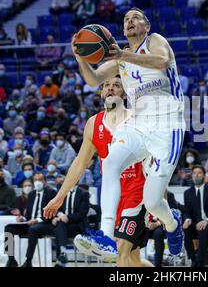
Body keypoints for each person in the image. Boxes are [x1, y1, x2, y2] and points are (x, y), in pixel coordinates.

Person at [50, 7, 185, 256]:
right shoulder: (120, 59)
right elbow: (93, 80)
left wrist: (123, 55)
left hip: (168, 124)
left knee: (154, 203)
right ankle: (105, 234)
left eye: (135, 18)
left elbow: (161, 62)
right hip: (139, 124)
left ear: (146, 26)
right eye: (125, 19)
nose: (130, 21)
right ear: (122, 30)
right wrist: (80, 57)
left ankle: (173, 223)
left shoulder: (155, 41)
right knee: (109, 162)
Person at [44, 77, 152, 265]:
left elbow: (155, 160)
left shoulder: (136, 119)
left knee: (119, 250)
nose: (111, 89)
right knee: (134, 259)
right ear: (101, 93)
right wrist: (60, 196)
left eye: (116, 85)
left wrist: (159, 198)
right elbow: (79, 163)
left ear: (124, 93)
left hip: (138, 192)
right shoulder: (94, 124)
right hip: (113, 197)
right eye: (107, 86)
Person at [4, 172, 56, 267]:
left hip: (44, 223)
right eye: (35, 180)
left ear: (45, 181)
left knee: (33, 229)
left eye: (40, 180)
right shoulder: (31, 194)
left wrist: (37, 220)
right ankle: (11, 259)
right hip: (30, 223)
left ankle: (28, 261)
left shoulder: (51, 193)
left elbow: (51, 214)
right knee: (8, 228)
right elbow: (28, 215)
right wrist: (22, 218)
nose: (37, 182)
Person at [183, 165, 208, 267]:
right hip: (195, 223)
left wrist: (207, 220)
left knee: (203, 230)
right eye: (194, 173)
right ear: (192, 176)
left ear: (204, 176)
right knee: (185, 230)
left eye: (199, 173)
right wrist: (187, 219)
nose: (196, 175)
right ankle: (193, 259)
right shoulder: (187, 193)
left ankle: (200, 262)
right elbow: (186, 211)